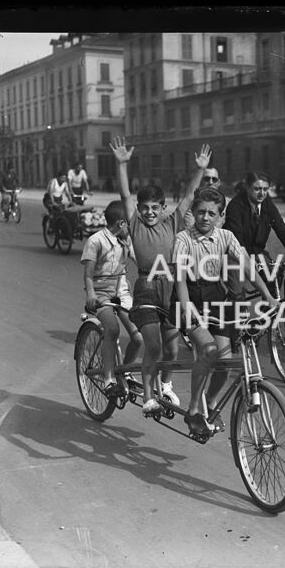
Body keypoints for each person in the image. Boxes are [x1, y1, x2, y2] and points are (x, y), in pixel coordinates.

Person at [109, 135, 211, 415]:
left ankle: (165, 385)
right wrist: (122, 165)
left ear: (164, 208)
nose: (150, 212)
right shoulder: (135, 224)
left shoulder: (172, 222)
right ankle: (149, 397)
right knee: (152, 345)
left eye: (155, 208)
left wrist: (200, 169)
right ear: (139, 211)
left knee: (173, 348)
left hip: (171, 288)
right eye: (145, 208)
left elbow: (190, 196)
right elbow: (125, 195)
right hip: (146, 286)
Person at [172, 188, 278, 437]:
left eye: (212, 213)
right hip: (188, 296)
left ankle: (210, 403)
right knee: (208, 350)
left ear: (220, 216)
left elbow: (248, 267)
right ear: (193, 213)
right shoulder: (183, 239)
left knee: (225, 362)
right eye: (200, 212)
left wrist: (268, 295)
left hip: (215, 299)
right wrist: (187, 307)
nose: (205, 218)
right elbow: (179, 278)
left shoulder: (226, 237)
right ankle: (194, 409)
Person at [81, 200, 143, 398]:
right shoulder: (95, 241)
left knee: (138, 336)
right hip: (100, 292)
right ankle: (109, 379)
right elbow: (88, 275)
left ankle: (124, 370)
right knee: (113, 329)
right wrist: (91, 295)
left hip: (121, 292)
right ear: (121, 223)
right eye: (130, 222)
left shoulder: (126, 241)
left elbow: (142, 262)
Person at [222, 171, 285, 300]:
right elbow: (236, 238)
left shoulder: (267, 203)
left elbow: (281, 228)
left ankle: (268, 311)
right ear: (247, 188)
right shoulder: (235, 206)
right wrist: (248, 260)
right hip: (234, 254)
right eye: (257, 189)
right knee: (238, 295)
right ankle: (235, 312)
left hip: (257, 253)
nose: (262, 193)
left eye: (265, 189)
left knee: (275, 273)